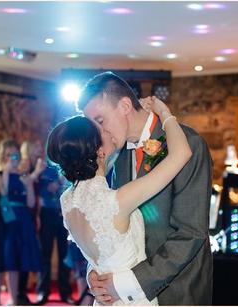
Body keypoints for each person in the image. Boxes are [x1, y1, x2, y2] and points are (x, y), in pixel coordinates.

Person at [79, 72, 213, 305]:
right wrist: (97, 271)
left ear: (124, 105)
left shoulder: (188, 143)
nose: (98, 134)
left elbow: (191, 233)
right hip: (126, 293)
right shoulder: (116, 153)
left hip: (177, 292)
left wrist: (128, 283)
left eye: (100, 122)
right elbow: (110, 220)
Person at [48, 95, 192, 305]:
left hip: (105, 299)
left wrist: (92, 274)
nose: (108, 131)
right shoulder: (117, 201)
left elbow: (97, 252)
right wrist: (164, 113)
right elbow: (182, 153)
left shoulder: (66, 200)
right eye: (102, 130)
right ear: (99, 151)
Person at [0, 140, 43, 305]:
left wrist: (29, 180)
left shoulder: (24, 176)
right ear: (3, 156)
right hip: (7, 219)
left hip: (23, 219)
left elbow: (30, 202)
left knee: (17, 260)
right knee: (4, 259)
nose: (11, 158)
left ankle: (14, 300)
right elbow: (4, 194)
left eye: (14, 155)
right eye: (8, 155)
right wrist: (8, 171)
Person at [34, 161, 75, 305]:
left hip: (64, 213)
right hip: (47, 214)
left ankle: (65, 293)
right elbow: (45, 190)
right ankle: (42, 292)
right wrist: (59, 180)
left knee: (65, 254)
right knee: (45, 253)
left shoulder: (70, 167)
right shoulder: (46, 169)